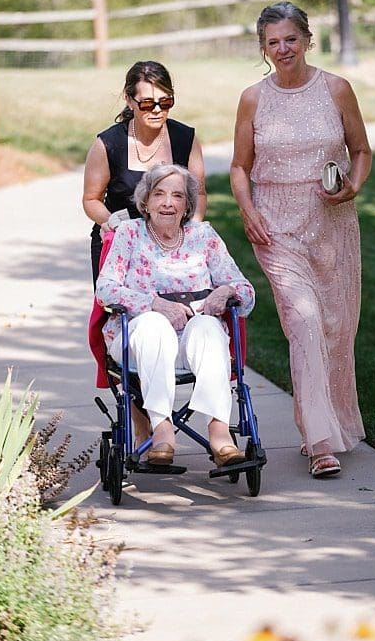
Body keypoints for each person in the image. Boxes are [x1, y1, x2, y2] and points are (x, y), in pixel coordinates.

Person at [230, 1, 373, 479]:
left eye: (290, 39)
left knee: (335, 327)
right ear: (263, 48)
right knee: (304, 321)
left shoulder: (336, 89)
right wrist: (248, 212)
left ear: (308, 40)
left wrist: (352, 185)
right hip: (276, 226)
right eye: (273, 42)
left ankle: (336, 421)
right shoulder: (253, 98)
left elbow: (361, 150)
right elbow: (239, 167)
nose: (283, 49)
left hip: (333, 225)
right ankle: (319, 442)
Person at [96, 164, 256, 469]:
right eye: (159, 194)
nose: (168, 202)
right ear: (145, 202)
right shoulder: (130, 234)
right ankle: (162, 429)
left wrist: (226, 292)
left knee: (209, 327)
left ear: (187, 206)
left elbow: (246, 292)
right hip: (137, 342)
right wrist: (153, 304)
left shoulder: (204, 236)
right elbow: (105, 289)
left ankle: (219, 430)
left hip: (190, 344)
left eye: (177, 196)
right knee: (155, 326)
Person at [82, 60, 203, 277]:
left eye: (165, 102)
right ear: (129, 100)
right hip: (121, 243)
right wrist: (113, 225)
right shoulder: (108, 143)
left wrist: (191, 230)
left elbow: (199, 193)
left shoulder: (186, 139)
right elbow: (91, 199)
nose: (157, 110)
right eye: (147, 104)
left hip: (173, 244)